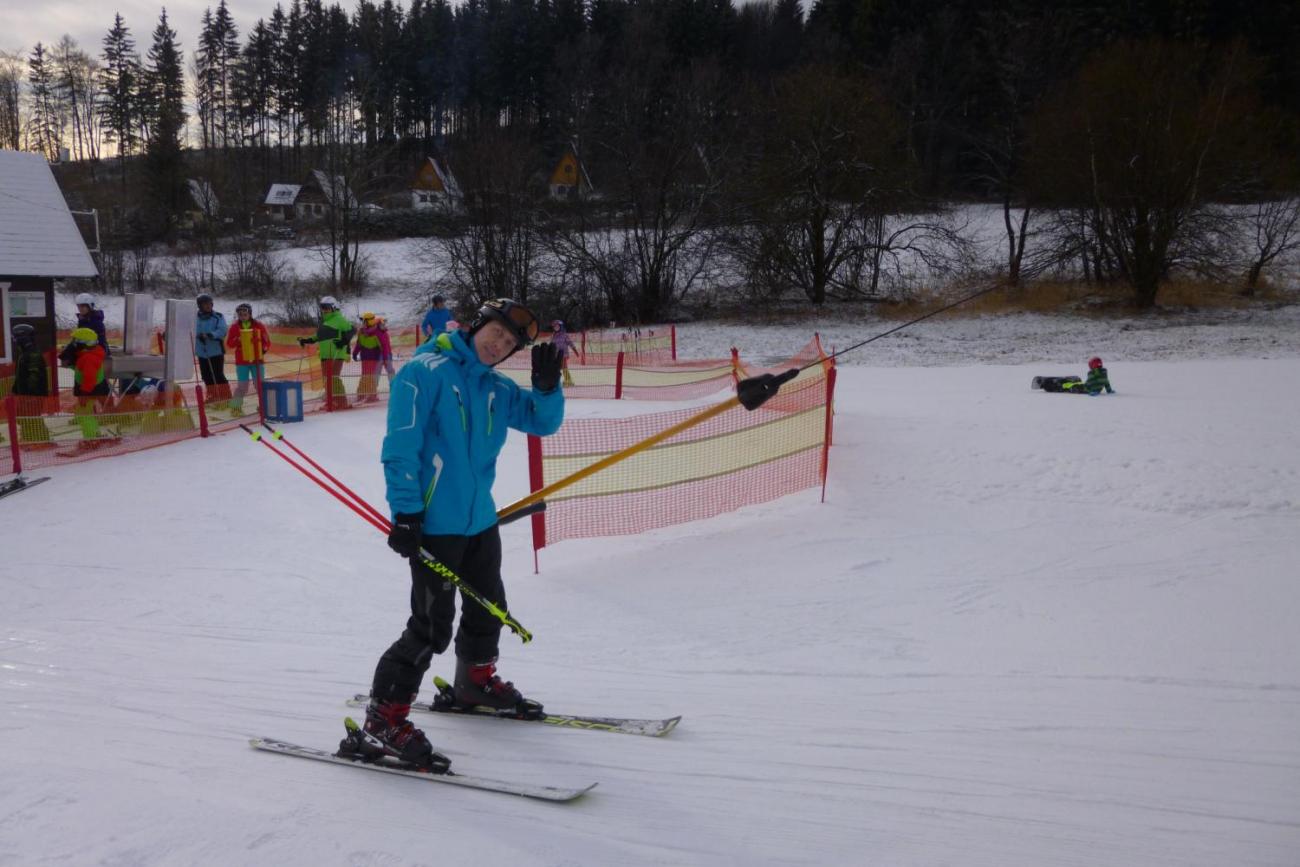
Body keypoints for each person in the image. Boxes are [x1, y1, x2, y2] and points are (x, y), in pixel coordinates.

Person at [361, 298, 564, 769]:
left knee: (489, 604)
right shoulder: (424, 371)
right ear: (478, 325)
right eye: (496, 333)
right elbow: (401, 445)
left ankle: (473, 682)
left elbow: (542, 422)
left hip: (479, 520)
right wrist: (407, 513)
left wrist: (548, 386)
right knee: (430, 626)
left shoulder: (493, 385)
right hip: (435, 522)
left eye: (510, 344)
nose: (499, 345)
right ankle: (383, 718)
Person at [297, 296, 355, 408]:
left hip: (336, 353)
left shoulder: (339, 319)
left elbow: (352, 330)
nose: (324, 310)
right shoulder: (323, 321)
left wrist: (343, 341)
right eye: (322, 308)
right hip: (324, 354)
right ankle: (331, 401)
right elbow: (318, 336)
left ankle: (341, 401)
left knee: (333, 377)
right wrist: (306, 340)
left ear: (334, 307)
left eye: (327, 308)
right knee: (326, 379)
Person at [62, 327, 111, 441]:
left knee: (84, 414)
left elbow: (89, 377)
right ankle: (94, 435)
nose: (73, 344)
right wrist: (73, 366)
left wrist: (84, 394)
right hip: (91, 389)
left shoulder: (88, 357)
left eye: (75, 341)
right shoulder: (87, 354)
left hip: (89, 390)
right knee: (85, 413)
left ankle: (92, 438)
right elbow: (83, 370)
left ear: (83, 343)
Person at [10, 324, 52, 445]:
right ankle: (29, 438)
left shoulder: (33, 354)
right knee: (23, 417)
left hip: (34, 394)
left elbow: (35, 375)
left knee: (32, 417)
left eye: (16, 338)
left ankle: (41, 440)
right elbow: (20, 375)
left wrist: (30, 395)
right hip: (25, 394)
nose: (15, 341)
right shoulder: (24, 353)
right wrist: (15, 389)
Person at [225, 302, 271, 414]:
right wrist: (238, 339)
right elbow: (229, 343)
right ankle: (235, 408)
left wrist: (263, 350)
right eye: (240, 314)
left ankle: (264, 407)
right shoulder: (235, 327)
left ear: (250, 314)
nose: (242, 316)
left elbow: (267, 341)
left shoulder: (258, 325)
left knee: (260, 385)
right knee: (242, 386)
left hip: (257, 361)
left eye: (245, 314)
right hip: (242, 362)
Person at [195, 293, 231, 402]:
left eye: (209, 304)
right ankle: (212, 395)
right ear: (200, 306)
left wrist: (210, 335)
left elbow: (222, 330)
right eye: (205, 304)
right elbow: (187, 328)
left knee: (218, 374)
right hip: (202, 352)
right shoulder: (194, 318)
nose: (208, 306)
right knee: (206, 375)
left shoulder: (218, 316)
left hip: (215, 351)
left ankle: (226, 395)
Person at [352, 312, 393, 403]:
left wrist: (386, 358)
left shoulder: (379, 331)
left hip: (377, 356)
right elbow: (359, 343)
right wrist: (355, 353)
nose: (363, 322)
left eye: (364, 320)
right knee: (366, 376)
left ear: (369, 321)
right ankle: (363, 394)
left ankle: (393, 391)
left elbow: (384, 346)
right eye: (362, 321)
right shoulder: (363, 331)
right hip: (366, 357)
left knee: (385, 373)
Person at [549, 319, 575, 387]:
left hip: (564, 354)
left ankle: (568, 381)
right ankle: (557, 381)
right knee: (557, 368)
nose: (555, 328)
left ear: (561, 326)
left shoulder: (564, 335)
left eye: (557, 326)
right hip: (556, 355)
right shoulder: (553, 335)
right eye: (554, 327)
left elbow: (570, 342)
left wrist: (574, 349)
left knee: (564, 367)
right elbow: (551, 344)